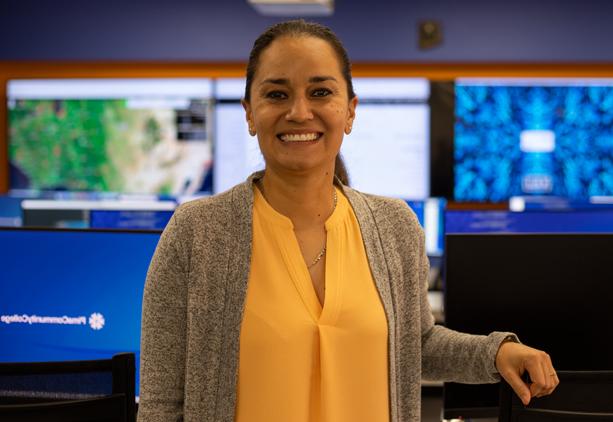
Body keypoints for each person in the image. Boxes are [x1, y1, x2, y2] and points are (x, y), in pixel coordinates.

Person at [137, 19, 558, 422]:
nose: (300, 112)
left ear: (350, 111)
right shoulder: (197, 232)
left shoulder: (395, 227)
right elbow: (160, 403)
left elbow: (416, 344)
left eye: (320, 92)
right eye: (277, 95)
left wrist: (495, 353)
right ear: (249, 112)